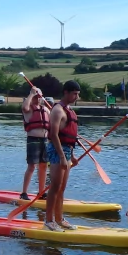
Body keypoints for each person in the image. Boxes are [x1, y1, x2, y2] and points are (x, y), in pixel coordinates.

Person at [44, 80, 82, 231]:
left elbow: (70, 137)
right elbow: (53, 134)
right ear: (66, 92)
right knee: (54, 187)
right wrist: (61, 157)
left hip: (66, 150)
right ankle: (48, 221)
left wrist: (71, 156)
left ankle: (59, 219)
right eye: (74, 94)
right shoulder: (58, 110)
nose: (77, 97)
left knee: (62, 188)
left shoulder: (70, 110)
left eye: (78, 94)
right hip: (56, 150)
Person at [20, 85, 50, 200]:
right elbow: (24, 107)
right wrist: (32, 93)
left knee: (43, 166)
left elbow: (54, 120)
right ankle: (24, 193)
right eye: (35, 97)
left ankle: (41, 192)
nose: (37, 99)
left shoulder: (45, 109)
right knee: (32, 166)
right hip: (33, 140)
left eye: (39, 96)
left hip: (45, 140)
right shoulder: (29, 109)